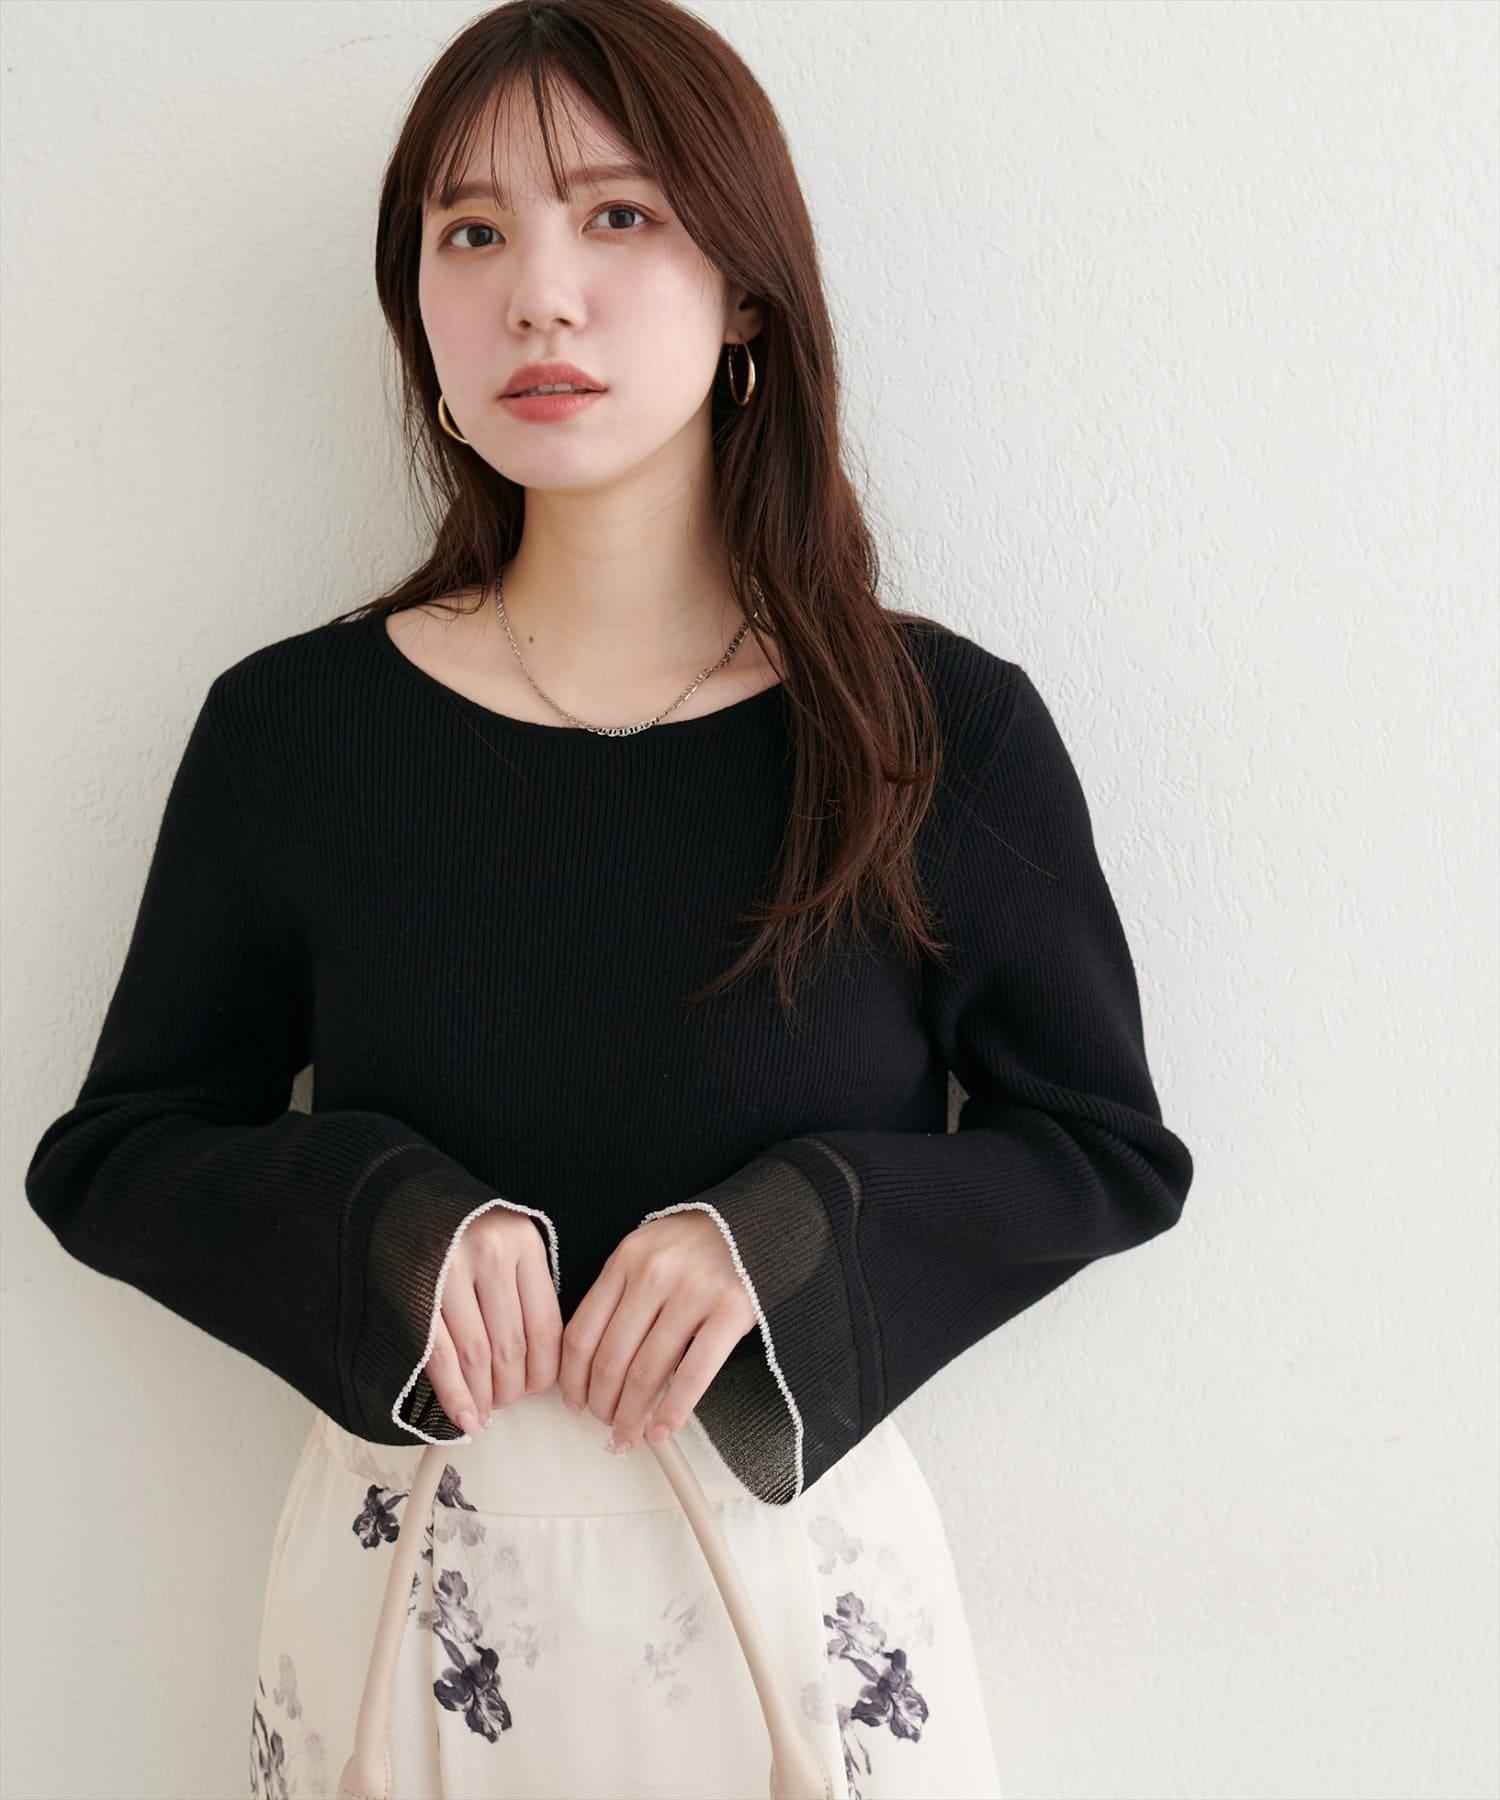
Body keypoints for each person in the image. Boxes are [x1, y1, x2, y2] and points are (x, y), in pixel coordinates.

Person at [23, 3, 1194, 1796]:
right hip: (411, 1635)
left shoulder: (931, 732)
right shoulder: (296, 733)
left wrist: (791, 1237)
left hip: (798, 1631)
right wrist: (385, 1222)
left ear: (747, 293)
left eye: (619, 216)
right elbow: (115, 1154)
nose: (539, 297)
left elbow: (1105, 1150)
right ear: (417, 303)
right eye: (471, 232)